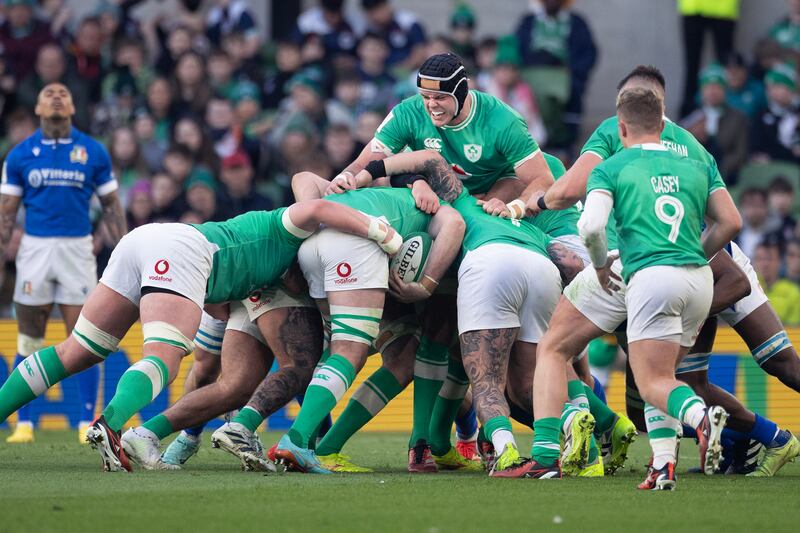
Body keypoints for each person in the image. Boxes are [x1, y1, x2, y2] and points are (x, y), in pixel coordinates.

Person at [0, 188, 402, 471]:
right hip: (184, 252)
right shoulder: (285, 229)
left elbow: (216, 306)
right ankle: (111, 426)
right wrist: (381, 233)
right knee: (164, 360)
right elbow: (314, 206)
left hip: (143, 242)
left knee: (78, 350)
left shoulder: (258, 272)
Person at [527, 87, 742, 488]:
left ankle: (545, 456)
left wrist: (598, 265)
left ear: (620, 126)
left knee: (556, 348)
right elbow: (731, 222)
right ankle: (663, 465)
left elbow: (590, 227)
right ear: (664, 125)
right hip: (698, 280)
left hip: (642, 272)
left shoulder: (614, 165)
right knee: (662, 374)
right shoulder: (697, 162)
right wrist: (695, 253)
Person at [272, 179, 465, 474]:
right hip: (356, 247)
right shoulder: (436, 206)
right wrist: (427, 286)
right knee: (351, 350)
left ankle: (310, 443)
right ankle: (298, 441)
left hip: (314, 245)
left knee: (339, 346)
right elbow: (455, 224)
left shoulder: (365, 189)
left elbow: (303, 176)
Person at [0, 83, 126, 444]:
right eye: (48, 93)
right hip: (35, 249)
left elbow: (112, 208)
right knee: (29, 335)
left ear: (72, 106)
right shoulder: (20, 155)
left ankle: (85, 421)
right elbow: (6, 214)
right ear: (38, 107)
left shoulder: (93, 152)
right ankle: (23, 423)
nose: (56, 96)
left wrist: (125, 250)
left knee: (85, 336)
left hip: (77, 249)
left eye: (63, 93)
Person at [681, 63, 748, 183]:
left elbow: (740, 154)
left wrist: (715, 168)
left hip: (725, 177)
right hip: (693, 174)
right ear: (701, 90)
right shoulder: (690, 118)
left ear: (725, 90)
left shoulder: (738, 118)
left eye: (717, 87)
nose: (713, 92)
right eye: (708, 87)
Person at [677, 0, 739, 117]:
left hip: (723, 7)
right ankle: (687, 117)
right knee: (692, 68)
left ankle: (729, 118)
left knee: (726, 69)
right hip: (693, 6)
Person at [754, 238, 800, 325]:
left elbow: (795, 329)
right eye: (759, 259)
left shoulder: (793, 292)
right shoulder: (747, 290)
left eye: (768, 258)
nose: (764, 264)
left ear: (779, 261)